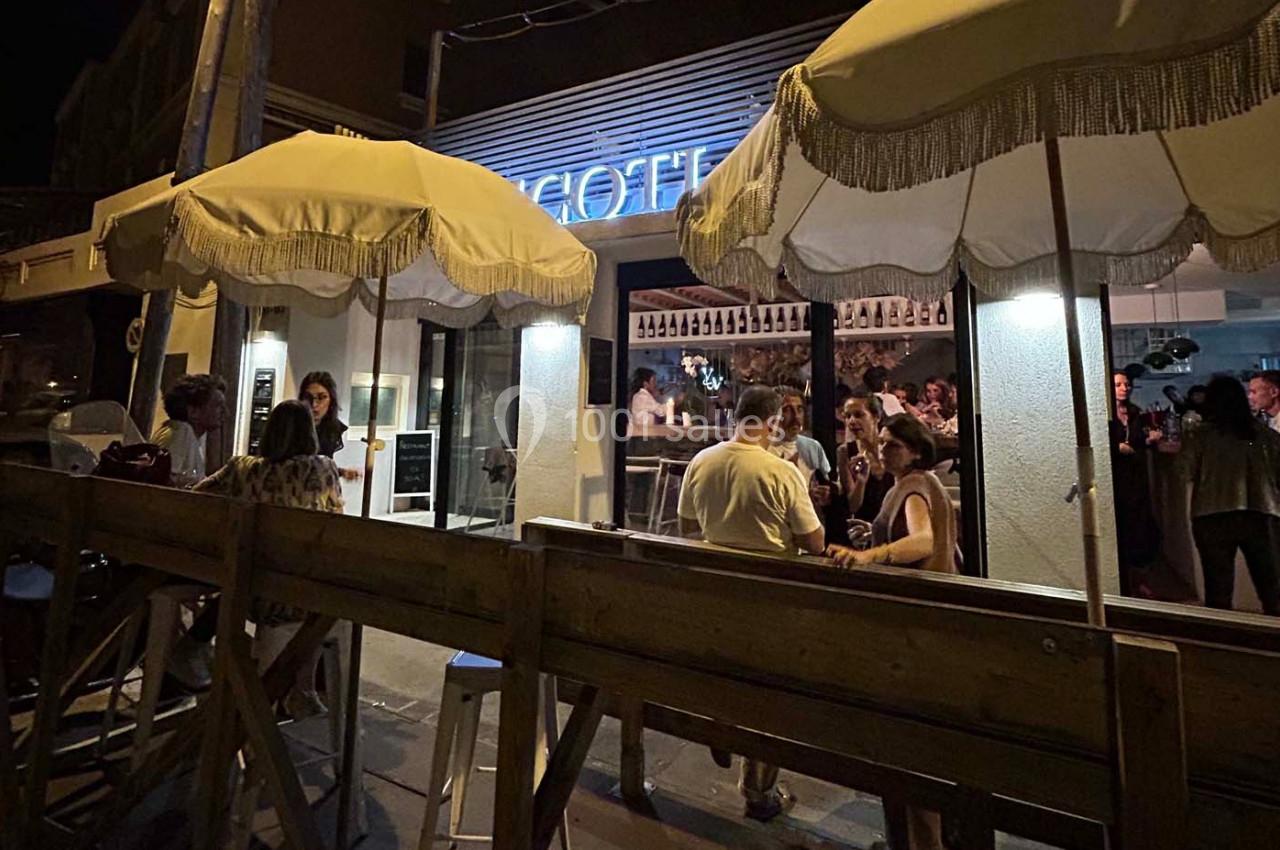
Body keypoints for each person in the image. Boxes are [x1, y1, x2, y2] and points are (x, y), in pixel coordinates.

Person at [678, 385, 823, 822]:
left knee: (727, 674)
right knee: (766, 695)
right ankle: (759, 790)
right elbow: (816, 543)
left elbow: (687, 526)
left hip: (712, 597)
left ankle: (720, 722)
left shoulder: (701, 461)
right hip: (767, 600)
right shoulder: (781, 471)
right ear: (772, 420)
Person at [195, 399, 347, 716]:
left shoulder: (242, 468)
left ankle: (271, 690)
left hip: (248, 590)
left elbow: (197, 495)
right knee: (331, 603)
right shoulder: (322, 468)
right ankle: (302, 691)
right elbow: (335, 521)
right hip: (301, 596)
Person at [1182, 376, 1280, 615]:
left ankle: (1222, 641)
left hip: (1211, 514)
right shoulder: (1265, 435)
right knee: (1270, 586)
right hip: (1260, 514)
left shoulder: (1200, 435)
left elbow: (1184, 471)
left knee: (1218, 587)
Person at [825, 414, 957, 573]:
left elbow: (924, 541)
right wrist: (874, 532)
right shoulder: (917, 481)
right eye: (881, 442)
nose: (883, 450)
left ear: (917, 452)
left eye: (893, 445)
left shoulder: (914, 483)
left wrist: (867, 556)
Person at [1109, 371, 1162, 597]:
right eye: (1119, 384)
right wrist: (1116, 447)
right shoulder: (1104, 414)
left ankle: (1139, 579)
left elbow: (1138, 440)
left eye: (1127, 384)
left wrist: (1148, 440)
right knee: (1118, 526)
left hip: (1135, 476)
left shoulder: (1135, 413)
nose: (1124, 388)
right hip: (1114, 476)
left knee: (1140, 527)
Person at [152, 374, 227, 488]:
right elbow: (168, 481)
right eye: (217, 405)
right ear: (193, 411)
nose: (224, 411)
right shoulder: (181, 432)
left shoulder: (187, 433)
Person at [837, 390, 893, 525]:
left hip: (895, 523)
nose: (851, 421)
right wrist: (861, 481)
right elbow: (853, 506)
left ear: (876, 417)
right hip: (865, 526)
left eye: (858, 415)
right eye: (847, 416)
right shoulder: (845, 452)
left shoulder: (893, 447)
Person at [299, 371, 360, 481]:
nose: (314, 404)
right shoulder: (291, 426)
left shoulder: (331, 428)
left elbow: (321, 466)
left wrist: (342, 472)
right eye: (308, 397)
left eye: (322, 397)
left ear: (331, 400)